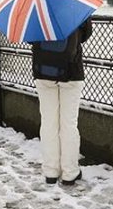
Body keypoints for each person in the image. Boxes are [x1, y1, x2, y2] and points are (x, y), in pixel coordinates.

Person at [31, 18, 92, 186]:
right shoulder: (75, 4)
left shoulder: (36, 7)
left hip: (43, 71)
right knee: (69, 124)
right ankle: (70, 172)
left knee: (48, 123)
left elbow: (30, 38)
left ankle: (51, 171)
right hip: (71, 72)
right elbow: (85, 35)